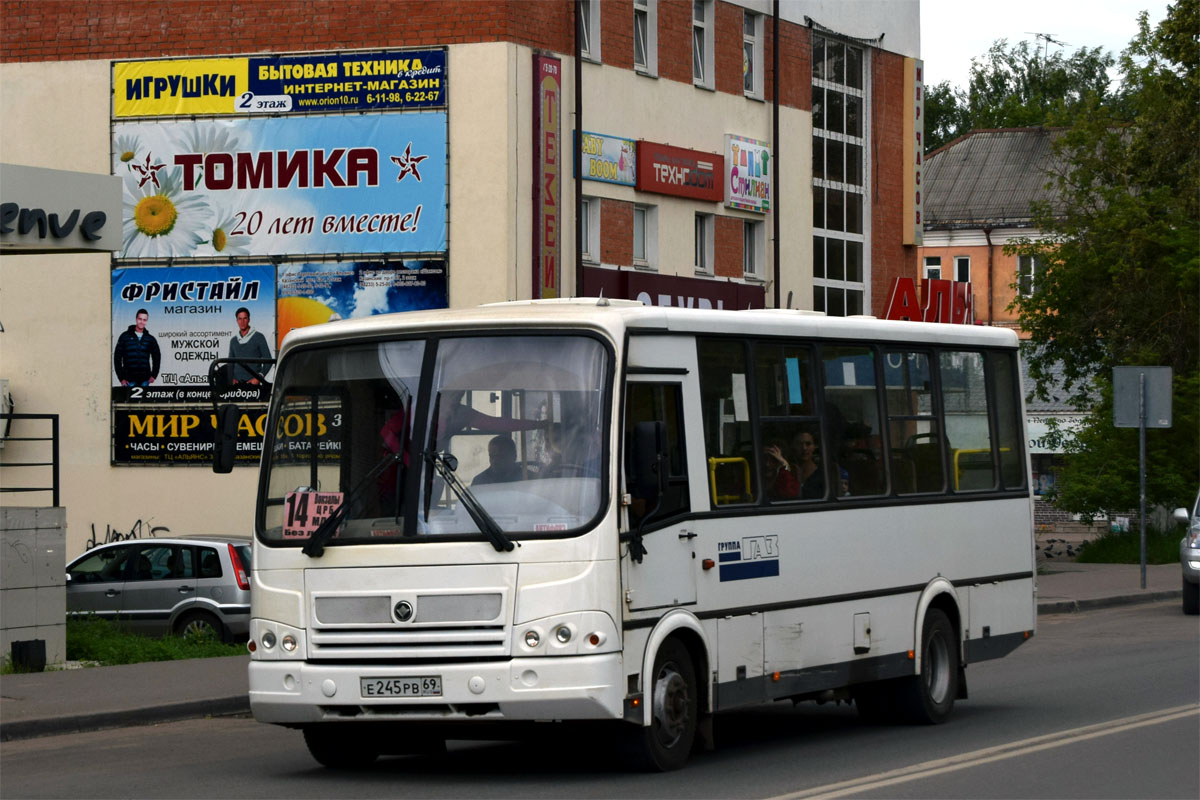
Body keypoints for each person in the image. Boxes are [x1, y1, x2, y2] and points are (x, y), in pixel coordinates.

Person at [114, 308, 161, 386]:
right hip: (129, 380)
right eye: (140, 319)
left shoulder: (150, 339)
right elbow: (117, 358)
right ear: (136, 319)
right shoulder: (124, 337)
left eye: (144, 320)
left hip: (145, 380)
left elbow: (157, 357)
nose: (142, 322)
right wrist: (121, 378)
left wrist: (154, 375)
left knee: (144, 399)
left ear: (147, 321)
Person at [228, 307, 272, 384]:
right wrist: (231, 379)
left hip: (253, 384)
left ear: (249, 319)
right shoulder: (233, 341)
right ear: (237, 320)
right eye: (240, 319)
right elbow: (230, 364)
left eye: (245, 318)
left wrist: (259, 377)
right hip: (236, 385)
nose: (242, 322)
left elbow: (268, 360)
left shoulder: (259, 337)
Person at [793, 429, 825, 499]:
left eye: (808, 444)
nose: (804, 448)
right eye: (799, 444)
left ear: (814, 447)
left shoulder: (823, 475)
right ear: (793, 446)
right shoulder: (787, 472)